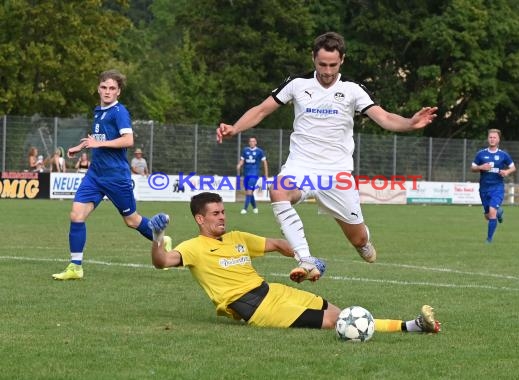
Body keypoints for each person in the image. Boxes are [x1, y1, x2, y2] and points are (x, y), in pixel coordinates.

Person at [217, 32, 438, 283]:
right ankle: (305, 259)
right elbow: (261, 110)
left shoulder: (352, 90)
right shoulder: (297, 84)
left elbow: (384, 117)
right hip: (300, 167)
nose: (327, 70)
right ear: (313, 58)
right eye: (322, 64)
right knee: (277, 190)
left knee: (359, 240)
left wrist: (410, 122)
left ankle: (363, 239)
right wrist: (234, 128)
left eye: (333, 64)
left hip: (336, 174)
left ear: (342, 60)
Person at [148, 192, 441, 333]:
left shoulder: (236, 236)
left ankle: (410, 326)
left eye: (223, 211)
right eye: (215, 214)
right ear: (200, 219)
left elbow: (277, 244)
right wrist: (157, 236)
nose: (222, 217)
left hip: (270, 290)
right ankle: (411, 326)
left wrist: (305, 260)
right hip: (250, 305)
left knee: (337, 310)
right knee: (332, 322)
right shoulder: (194, 247)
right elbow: (162, 261)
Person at [52, 69, 163, 280]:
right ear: (98, 88)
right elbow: (98, 138)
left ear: (118, 91)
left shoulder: (119, 112)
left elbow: (128, 140)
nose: (107, 91)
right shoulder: (98, 112)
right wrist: (82, 146)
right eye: (104, 87)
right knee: (76, 215)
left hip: (116, 177)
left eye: (112, 88)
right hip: (95, 175)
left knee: (131, 221)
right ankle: (76, 267)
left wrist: (97, 143)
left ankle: (159, 236)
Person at [471, 129, 516, 243]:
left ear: (498, 139)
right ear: (488, 138)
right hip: (484, 189)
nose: (492, 139)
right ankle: (499, 212)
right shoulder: (481, 154)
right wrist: (481, 167)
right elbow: (473, 168)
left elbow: (513, 167)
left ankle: (489, 240)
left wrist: (507, 172)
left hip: (497, 187)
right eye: (490, 137)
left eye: (494, 137)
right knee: (488, 215)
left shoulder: (503, 155)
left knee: (492, 212)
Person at [236, 136, 269, 214]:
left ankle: (245, 209)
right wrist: (239, 165)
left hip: (254, 174)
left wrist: (266, 174)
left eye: (253, 141)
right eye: (250, 141)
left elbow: (265, 163)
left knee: (249, 191)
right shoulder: (245, 150)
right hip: (246, 174)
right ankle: (255, 208)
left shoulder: (259, 151)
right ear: (249, 142)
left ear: (256, 142)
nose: (252, 142)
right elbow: (242, 160)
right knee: (249, 192)